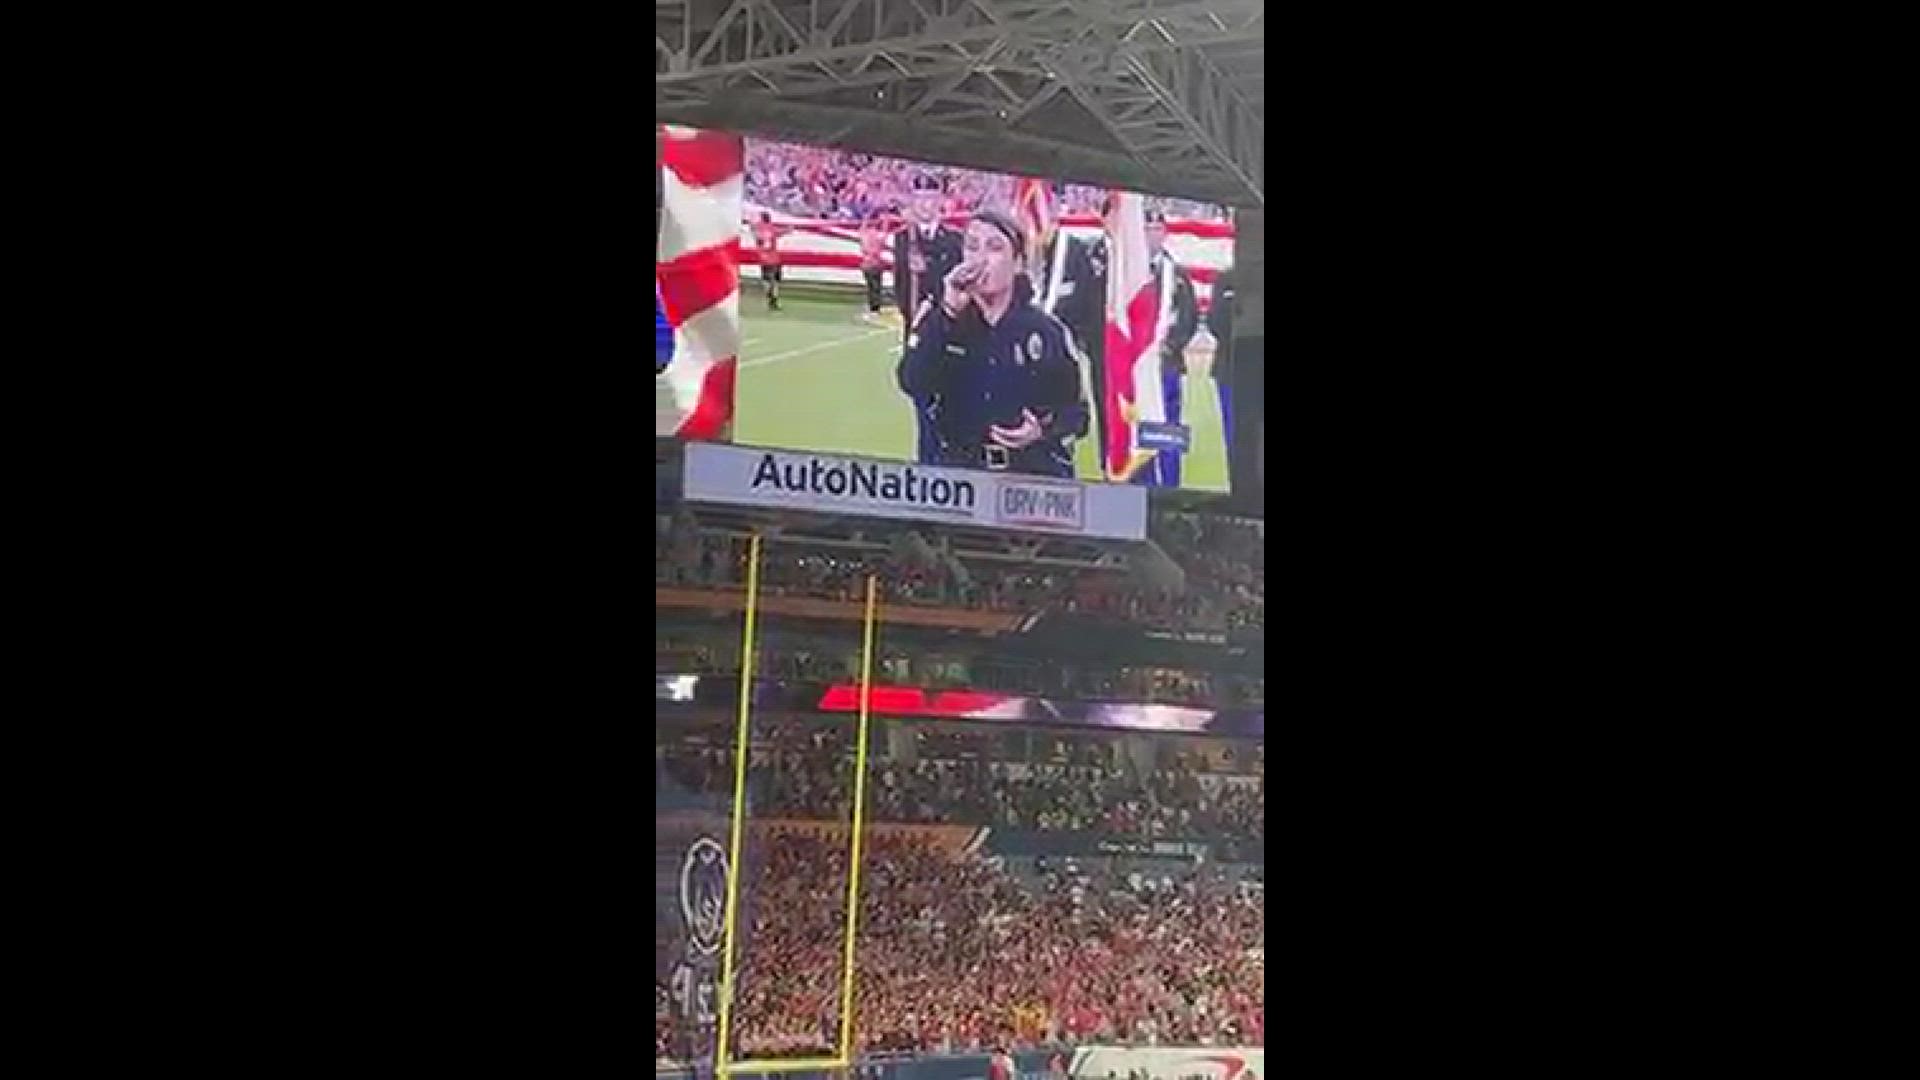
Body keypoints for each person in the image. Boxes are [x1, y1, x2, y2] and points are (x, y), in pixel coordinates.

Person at [897, 209, 1087, 478]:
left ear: (1018, 263)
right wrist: (948, 312)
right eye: (972, 247)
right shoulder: (942, 320)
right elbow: (912, 381)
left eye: (994, 248)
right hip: (960, 476)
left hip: (1030, 475)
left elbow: (1077, 415)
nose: (980, 259)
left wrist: (1041, 428)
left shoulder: (1046, 331)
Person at [894, 175, 965, 463]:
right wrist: (914, 317)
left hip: (950, 334)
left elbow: (956, 283)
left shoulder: (955, 240)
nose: (925, 205)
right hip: (919, 333)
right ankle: (927, 464)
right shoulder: (903, 239)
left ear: (941, 203)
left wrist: (929, 271)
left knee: (951, 402)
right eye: (920, 199)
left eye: (931, 199)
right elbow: (901, 286)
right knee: (922, 400)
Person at [1143, 207, 1200, 486]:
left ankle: (1170, 486)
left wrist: (1170, 346)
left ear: (1164, 234)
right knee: (1137, 434)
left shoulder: (1177, 274)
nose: (1151, 235)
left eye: (1156, 230)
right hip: (1136, 371)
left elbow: (1189, 317)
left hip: (1167, 366)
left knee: (1168, 430)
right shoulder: (1130, 273)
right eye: (1146, 230)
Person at [753, 211, 790, 311]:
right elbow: (779, 233)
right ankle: (773, 298)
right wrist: (789, 229)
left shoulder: (758, 228)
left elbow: (759, 237)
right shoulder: (770, 229)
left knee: (767, 279)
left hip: (764, 258)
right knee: (775, 280)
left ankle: (771, 297)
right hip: (773, 258)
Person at [859, 212, 891, 323]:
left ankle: (874, 308)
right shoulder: (876, 237)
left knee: (872, 288)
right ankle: (874, 308)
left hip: (869, 265)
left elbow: (862, 229)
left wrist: (867, 218)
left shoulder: (866, 237)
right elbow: (885, 232)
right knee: (875, 288)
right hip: (874, 265)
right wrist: (886, 221)